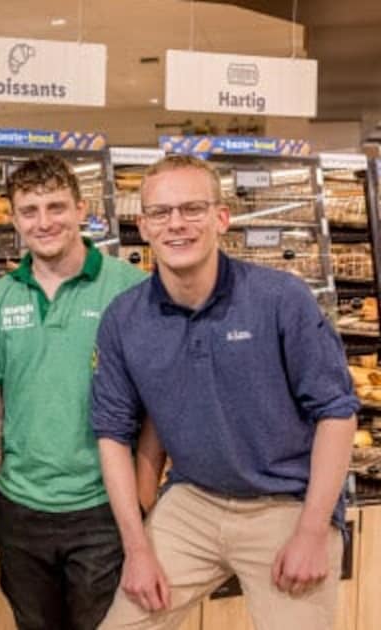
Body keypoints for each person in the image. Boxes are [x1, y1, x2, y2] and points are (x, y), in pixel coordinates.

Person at [91, 155, 358, 629]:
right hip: (193, 500)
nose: (176, 224)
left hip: (287, 503)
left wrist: (314, 531)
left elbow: (337, 413)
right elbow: (112, 434)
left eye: (192, 209)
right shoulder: (124, 319)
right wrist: (136, 549)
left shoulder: (280, 299)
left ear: (221, 218)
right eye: (160, 212)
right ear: (143, 227)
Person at [0, 155, 145, 629]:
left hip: (103, 506)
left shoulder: (129, 288)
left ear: (81, 209)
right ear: (14, 218)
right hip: (20, 507)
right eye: (30, 211)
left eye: (56, 207)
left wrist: (143, 494)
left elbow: (155, 400)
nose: (44, 222)